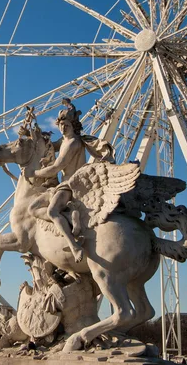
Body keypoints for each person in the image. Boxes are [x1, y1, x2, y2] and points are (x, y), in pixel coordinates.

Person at [32, 99, 113, 263]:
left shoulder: (73, 142)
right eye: (60, 125)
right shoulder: (63, 141)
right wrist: (34, 129)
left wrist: (35, 173)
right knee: (33, 208)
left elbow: (57, 167)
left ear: (73, 125)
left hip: (70, 185)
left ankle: (74, 246)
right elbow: (48, 146)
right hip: (62, 185)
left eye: (66, 125)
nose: (62, 128)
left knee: (52, 212)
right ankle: (70, 217)